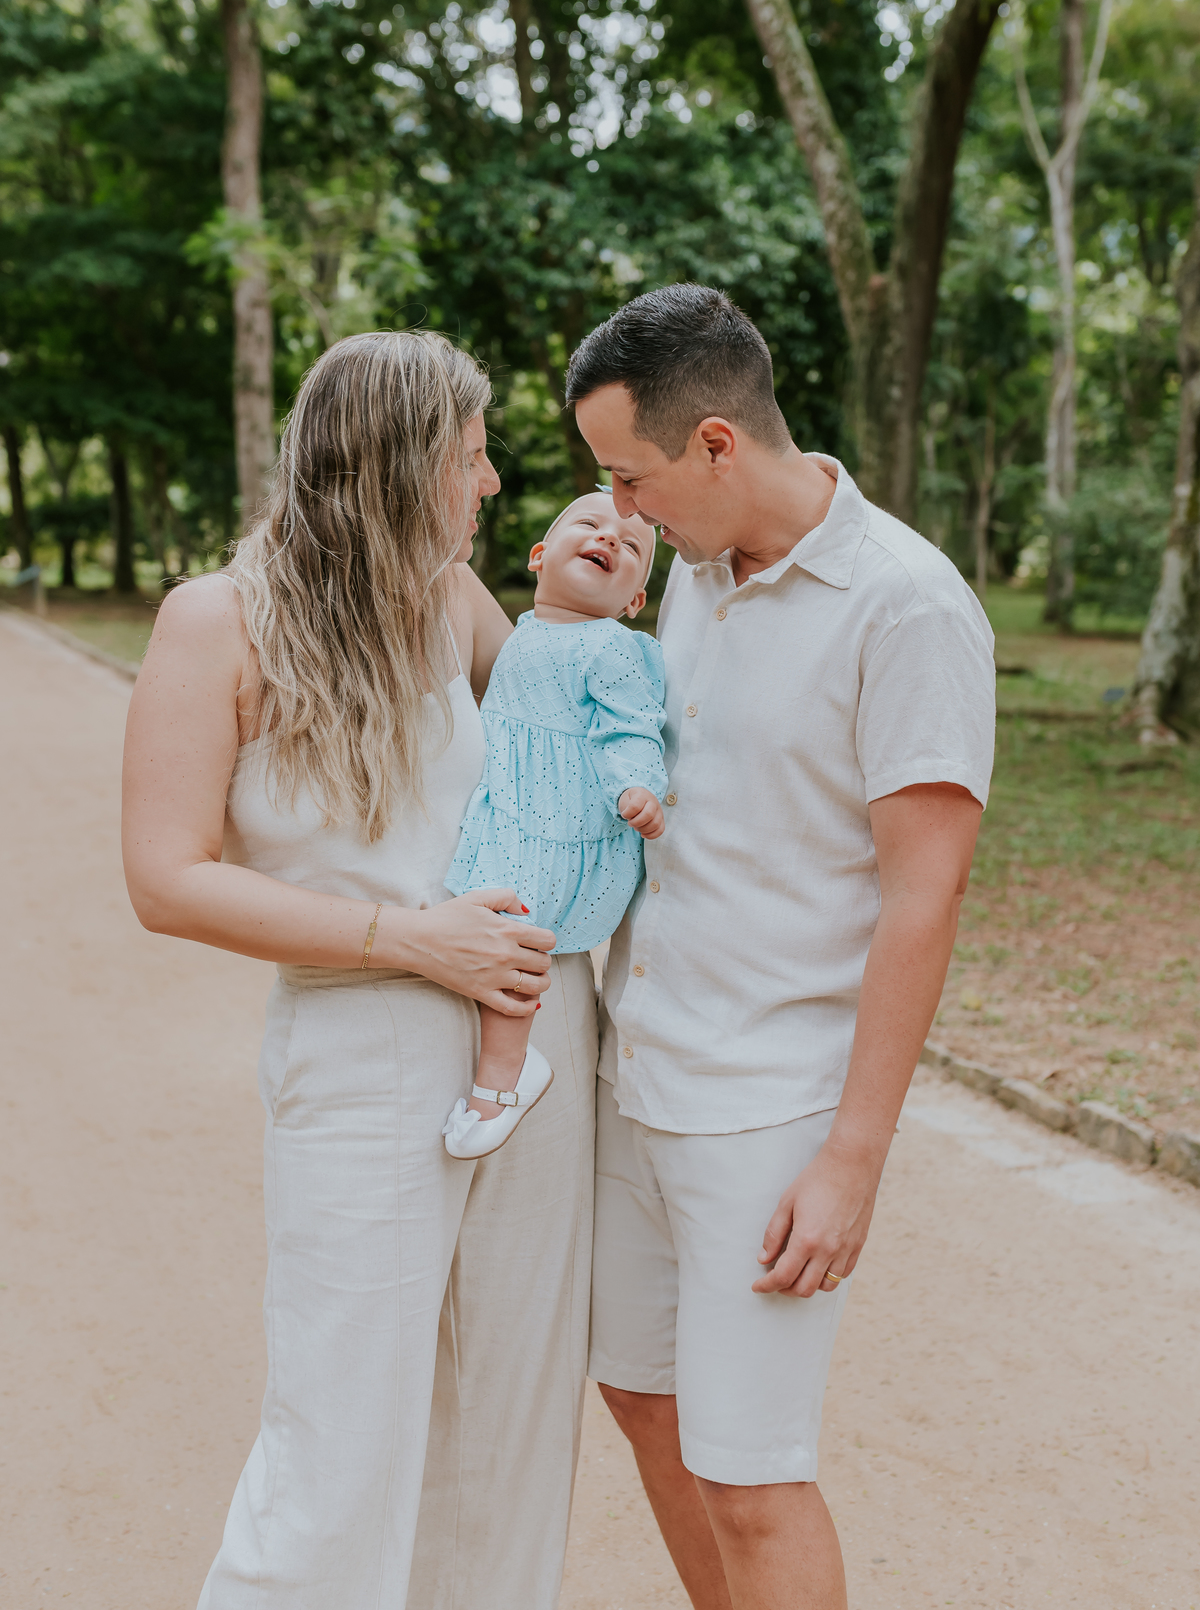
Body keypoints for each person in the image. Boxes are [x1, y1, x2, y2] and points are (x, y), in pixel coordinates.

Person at [121, 331, 598, 1610]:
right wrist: (408, 939)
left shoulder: (452, 603)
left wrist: (598, 580)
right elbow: (166, 878)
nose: (493, 483)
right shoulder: (216, 620)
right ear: (393, 464)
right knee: (340, 1432)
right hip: (360, 1046)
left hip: (530, 1045)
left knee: (509, 1418)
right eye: (472, 454)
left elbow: (572, 714)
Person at [566, 284, 996, 1610]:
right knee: (642, 1396)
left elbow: (922, 897)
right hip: (638, 1069)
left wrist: (852, 1160)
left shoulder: (907, 608)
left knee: (751, 1479)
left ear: (714, 446)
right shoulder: (688, 576)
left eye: (627, 475)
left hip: (769, 1105)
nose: (618, 505)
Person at [442, 488, 666, 1159]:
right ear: (540, 557)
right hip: (509, 813)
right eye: (591, 526)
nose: (608, 540)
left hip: (561, 825)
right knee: (484, 919)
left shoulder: (614, 646)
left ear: (633, 603)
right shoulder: (526, 634)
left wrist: (637, 786)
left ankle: (505, 1076)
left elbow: (632, 727)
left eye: (631, 547)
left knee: (516, 934)